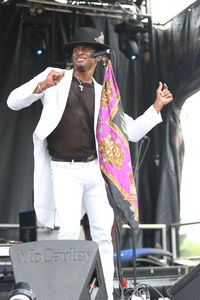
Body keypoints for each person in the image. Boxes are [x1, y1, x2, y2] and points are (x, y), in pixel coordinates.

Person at [7, 27, 173, 299]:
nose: (79, 52)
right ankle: (68, 294)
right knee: (69, 235)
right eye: (75, 49)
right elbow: (13, 102)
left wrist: (155, 108)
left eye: (85, 49)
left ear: (98, 57)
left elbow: (129, 131)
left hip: (96, 170)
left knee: (103, 237)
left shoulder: (104, 93)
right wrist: (41, 86)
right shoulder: (55, 78)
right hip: (63, 170)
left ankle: (107, 294)